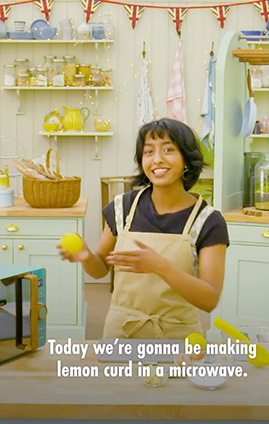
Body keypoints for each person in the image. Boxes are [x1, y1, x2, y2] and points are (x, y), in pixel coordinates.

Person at [58, 118, 229, 339]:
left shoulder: (208, 220)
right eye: (149, 152)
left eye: (168, 150)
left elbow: (209, 300)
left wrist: (160, 266)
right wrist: (86, 256)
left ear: (186, 159)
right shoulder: (123, 207)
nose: (157, 160)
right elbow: (100, 269)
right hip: (122, 332)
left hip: (178, 338)